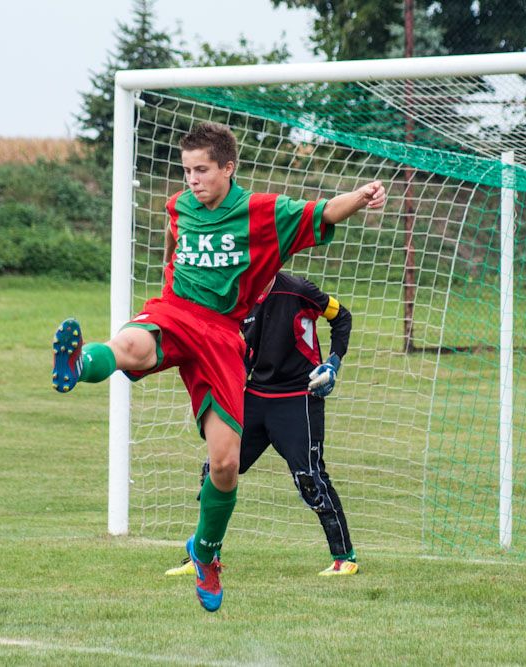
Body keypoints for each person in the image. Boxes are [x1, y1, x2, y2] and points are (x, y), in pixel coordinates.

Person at [51, 121, 386, 612]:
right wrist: (169, 280)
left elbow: (323, 211)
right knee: (133, 345)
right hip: (175, 311)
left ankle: (205, 554)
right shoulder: (179, 207)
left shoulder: (263, 213)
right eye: (187, 171)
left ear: (228, 168)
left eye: (202, 170)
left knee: (225, 464)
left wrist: (359, 195)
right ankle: (79, 363)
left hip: (223, 336)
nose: (192, 180)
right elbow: (172, 236)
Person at [165, 271, 358, 579]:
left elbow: (341, 316)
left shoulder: (298, 290)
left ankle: (344, 558)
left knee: (309, 478)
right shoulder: (236, 297)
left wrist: (332, 365)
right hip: (254, 395)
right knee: (214, 471)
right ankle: (203, 557)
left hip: (298, 397)